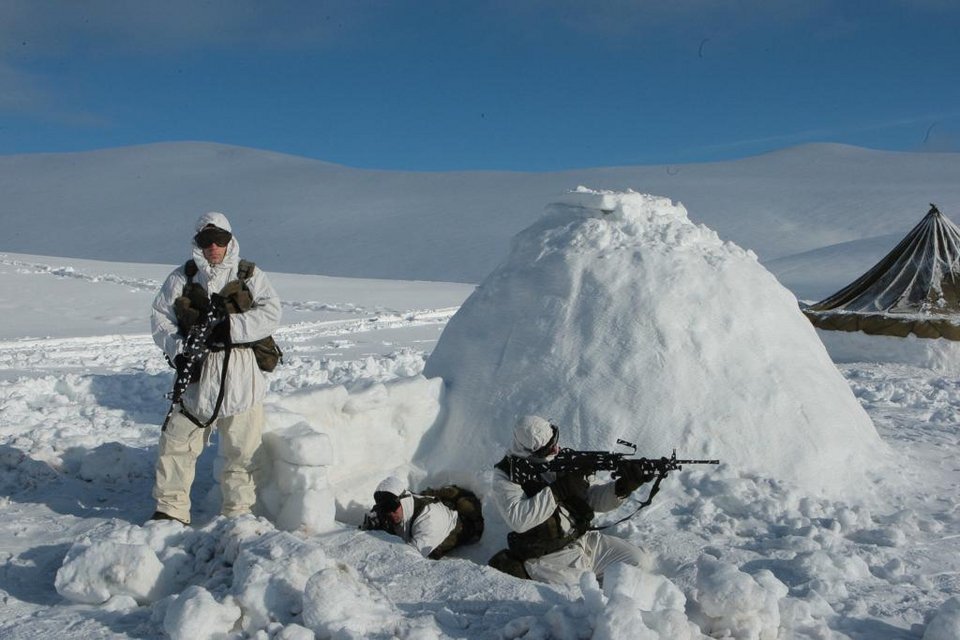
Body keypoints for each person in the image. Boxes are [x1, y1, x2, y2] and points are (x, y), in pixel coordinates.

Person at [149, 211, 281, 525]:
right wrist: (179, 351)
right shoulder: (183, 277)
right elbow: (160, 318)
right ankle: (170, 510)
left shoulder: (249, 274)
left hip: (241, 376)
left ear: (229, 240)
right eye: (206, 241)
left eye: (219, 240)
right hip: (197, 373)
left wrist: (230, 328)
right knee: (177, 443)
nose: (213, 247)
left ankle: (237, 513)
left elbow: (272, 312)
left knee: (242, 450)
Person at [489, 415, 653, 584]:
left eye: (555, 441)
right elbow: (519, 520)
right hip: (551, 557)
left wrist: (621, 487)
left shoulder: (561, 460)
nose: (556, 450)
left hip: (584, 540)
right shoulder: (506, 476)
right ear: (529, 451)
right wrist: (559, 490)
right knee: (583, 599)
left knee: (639, 562)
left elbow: (593, 498)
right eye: (549, 448)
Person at [363, 476, 481, 559]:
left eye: (392, 506)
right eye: (384, 508)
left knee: (434, 552)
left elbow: (410, 558)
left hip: (458, 527)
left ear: (403, 500)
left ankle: (459, 499)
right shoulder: (398, 507)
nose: (389, 513)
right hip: (432, 507)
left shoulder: (429, 522)